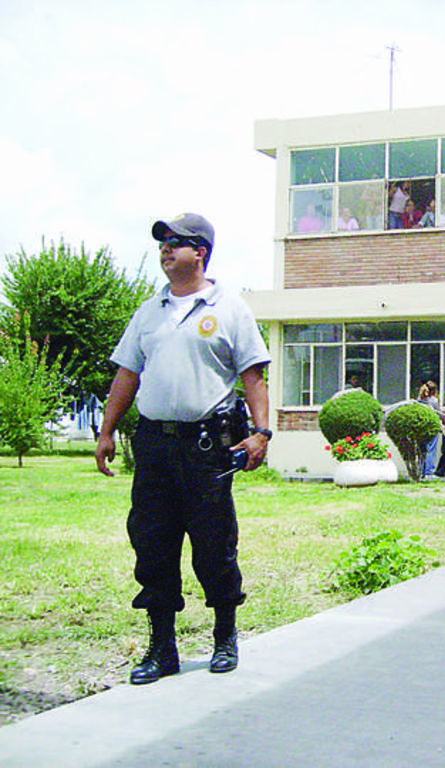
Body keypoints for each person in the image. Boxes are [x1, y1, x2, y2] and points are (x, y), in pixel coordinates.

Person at [95, 213, 272, 685]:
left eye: (176, 243)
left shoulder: (230, 308)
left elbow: (253, 374)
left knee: (214, 546)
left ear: (202, 253)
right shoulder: (148, 312)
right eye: (162, 244)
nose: (165, 250)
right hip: (154, 445)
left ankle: (224, 636)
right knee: (152, 545)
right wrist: (107, 432)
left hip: (206, 447)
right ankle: (161, 648)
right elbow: (127, 375)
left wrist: (261, 432)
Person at [417, 381, 441, 478]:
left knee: (422, 449)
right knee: (431, 449)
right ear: (434, 391)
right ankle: (429, 472)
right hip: (432, 427)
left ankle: (421, 471)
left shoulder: (419, 400)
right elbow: (438, 413)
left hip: (421, 427)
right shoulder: (433, 401)